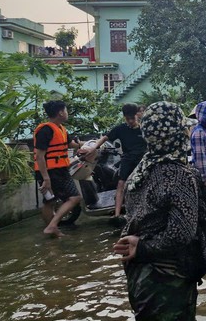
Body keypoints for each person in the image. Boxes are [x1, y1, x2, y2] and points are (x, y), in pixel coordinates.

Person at [113, 101, 206, 321]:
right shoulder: (179, 175)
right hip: (167, 280)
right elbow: (181, 232)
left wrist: (140, 246)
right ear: (177, 134)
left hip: (144, 279)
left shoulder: (143, 168)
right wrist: (144, 247)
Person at [80, 103, 147, 219]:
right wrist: (92, 148)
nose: (130, 121)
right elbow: (104, 138)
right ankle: (117, 215)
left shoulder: (145, 128)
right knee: (121, 184)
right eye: (128, 119)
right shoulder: (120, 129)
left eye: (132, 118)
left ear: (137, 115)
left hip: (143, 160)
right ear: (124, 117)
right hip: (128, 160)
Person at [34, 100, 83, 237]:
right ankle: (52, 226)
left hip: (60, 169)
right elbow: (39, 156)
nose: (67, 113)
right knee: (75, 197)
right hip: (49, 172)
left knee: (49, 201)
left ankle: (52, 230)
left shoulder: (60, 128)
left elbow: (71, 144)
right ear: (60, 112)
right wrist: (46, 178)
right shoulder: (45, 130)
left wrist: (91, 144)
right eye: (66, 110)